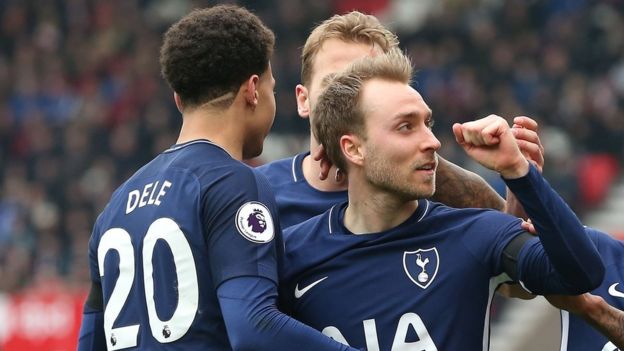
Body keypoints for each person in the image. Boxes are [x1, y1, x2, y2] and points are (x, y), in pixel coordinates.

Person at [278, 49, 605, 350]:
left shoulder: (475, 233)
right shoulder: (293, 254)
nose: (433, 141)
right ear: (353, 148)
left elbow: (582, 274)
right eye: (406, 126)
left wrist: (519, 172)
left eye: (428, 123)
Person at [77, 5, 357, 351]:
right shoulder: (234, 183)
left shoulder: (115, 206)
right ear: (253, 90)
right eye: (272, 88)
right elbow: (254, 325)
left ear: (179, 100)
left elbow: (89, 343)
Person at [256, 11, 506, 229]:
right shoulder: (258, 195)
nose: (352, 101)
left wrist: (520, 174)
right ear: (303, 100)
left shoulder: (436, 190)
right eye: (334, 84)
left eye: (369, 86)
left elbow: (521, 262)